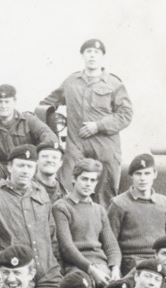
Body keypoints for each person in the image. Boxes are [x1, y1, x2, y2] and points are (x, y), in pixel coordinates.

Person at [41, 38, 134, 204]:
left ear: (102, 57)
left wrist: (99, 126)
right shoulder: (70, 82)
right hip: (76, 145)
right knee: (67, 190)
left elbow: (126, 114)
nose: (92, 56)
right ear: (82, 56)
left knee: (105, 195)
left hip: (105, 148)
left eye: (96, 52)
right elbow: (46, 106)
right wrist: (52, 132)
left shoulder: (114, 84)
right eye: (88, 52)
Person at [0, 144, 62, 288]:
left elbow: (51, 233)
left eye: (30, 167)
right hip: (15, 270)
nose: (26, 171)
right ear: (10, 167)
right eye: (21, 166)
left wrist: (56, 267)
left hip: (47, 271)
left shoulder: (41, 192)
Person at [0, 83, 58, 192]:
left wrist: (37, 153)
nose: (3, 106)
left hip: (26, 167)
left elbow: (49, 135)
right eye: (0, 102)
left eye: (7, 101)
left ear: (14, 102)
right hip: (2, 170)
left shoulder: (28, 120)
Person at [53, 158, 122, 287]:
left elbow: (111, 245)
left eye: (92, 180)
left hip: (102, 265)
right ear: (74, 179)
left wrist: (115, 268)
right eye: (84, 179)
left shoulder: (99, 210)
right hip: (76, 266)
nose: (88, 184)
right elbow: (67, 247)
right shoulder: (61, 207)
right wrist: (91, 270)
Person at [108, 154, 166, 274]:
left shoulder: (165, 203)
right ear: (131, 176)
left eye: (147, 173)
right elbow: (110, 241)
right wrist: (115, 267)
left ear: (154, 174)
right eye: (138, 174)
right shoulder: (119, 204)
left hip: (161, 258)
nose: (143, 179)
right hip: (131, 261)